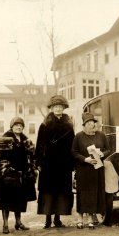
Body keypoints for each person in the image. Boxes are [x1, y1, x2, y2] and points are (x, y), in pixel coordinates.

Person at [35, 95, 75, 228]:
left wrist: (72, 163)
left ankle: (57, 219)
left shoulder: (69, 125)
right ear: (51, 108)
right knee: (48, 191)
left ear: (64, 108)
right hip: (48, 164)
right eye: (55, 106)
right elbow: (39, 144)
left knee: (60, 192)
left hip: (63, 164)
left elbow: (72, 145)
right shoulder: (45, 124)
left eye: (60, 106)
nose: (58, 109)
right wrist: (39, 162)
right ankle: (47, 220)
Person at [0, 117, 37, 234]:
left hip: (22, 173)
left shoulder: (25, 140)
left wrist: (31, 168)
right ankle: (5, 224)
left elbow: (31, 156)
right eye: (16, 125)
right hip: (9, 174)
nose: (19, 127)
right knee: (7, 200)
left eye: (20, 125)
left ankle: (18, 222)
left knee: (19, 199)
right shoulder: (5, 139)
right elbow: (1, 157)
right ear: (12, 126)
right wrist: (7, 169)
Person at [72, 113, 110, 229]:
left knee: (94, 193)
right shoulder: (79, 136)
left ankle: (90, 219)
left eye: (92, 122)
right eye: (88, 123)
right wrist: (85, 159)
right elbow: (74, 152)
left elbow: (108, 149)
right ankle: (80, 219)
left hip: (97, 169)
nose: (91, 125)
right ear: (84, 125)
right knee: (82, 194)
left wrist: (102, 153)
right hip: (83, 170)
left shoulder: (101, 135)